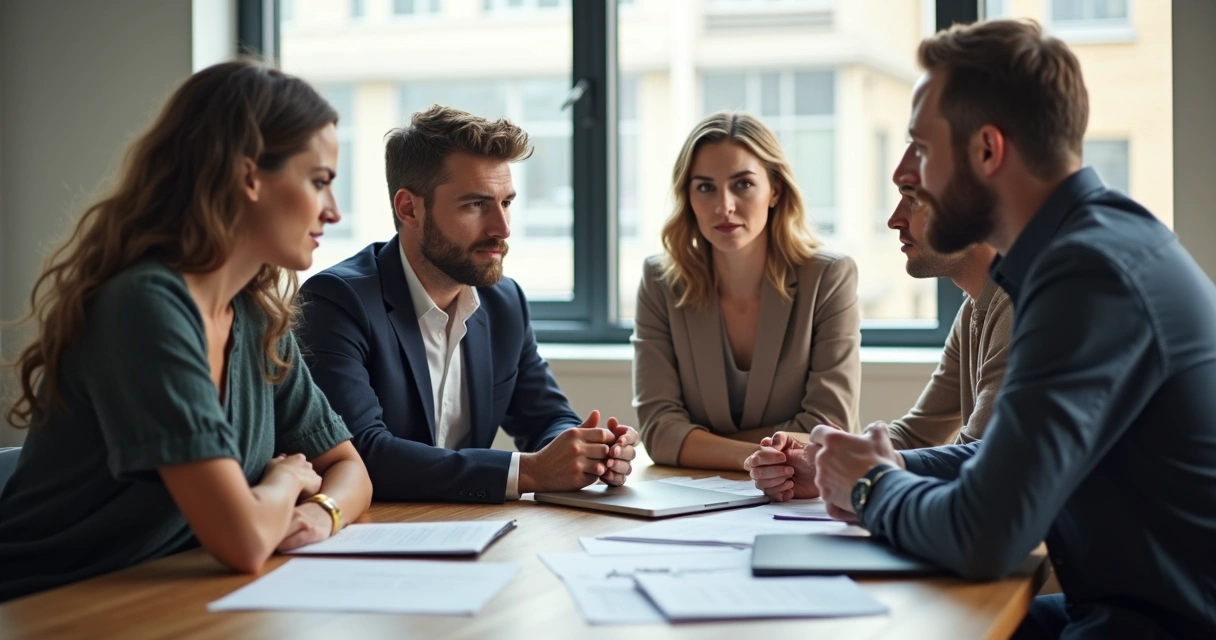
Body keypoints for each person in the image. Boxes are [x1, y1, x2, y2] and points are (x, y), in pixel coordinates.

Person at [809, 20, 1216, 638]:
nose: (912, 174)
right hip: (1122, 610)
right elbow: (1005, 460)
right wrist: (892, 465)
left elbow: (985, 536)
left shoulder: (1089, 275)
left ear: (987, 151)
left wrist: (869, 486)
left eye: (922, 148)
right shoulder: (1085, 249)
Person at [0, 60, 372, 602]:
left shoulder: (256, 318)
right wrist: (288, 480)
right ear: (249, 177)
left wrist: (321, 513)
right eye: (319, 182)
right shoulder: (145, 307)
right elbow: (244, 541)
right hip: (52, 605)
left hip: (170, 595)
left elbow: (349, 467)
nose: (333, 211)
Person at [295, 106, 637, 503]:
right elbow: (362, 453)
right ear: (409, 209)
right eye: (476, 205)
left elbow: (546, 417)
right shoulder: (336, 302)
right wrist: (528, 471)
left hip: (468, 529)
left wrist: (590, 451)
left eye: (506, 202)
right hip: (370, 534)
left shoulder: (504, 301)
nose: (502, 228)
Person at [745, 143, 1013, 500]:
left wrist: (862, 475)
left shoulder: (1016, 306)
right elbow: (914, 435)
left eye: (913, 199)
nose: (894, 219)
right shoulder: (974, 309)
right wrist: (822, 462)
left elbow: (978, 468)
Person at [631, 111, 861, 471]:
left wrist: (695, 443)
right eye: (705, 187)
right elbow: (659, 431)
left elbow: (829, 428)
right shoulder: (660, 282)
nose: (724, 206)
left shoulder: (829, 278)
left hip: (801, 495)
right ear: (687, 197)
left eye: (743, 184)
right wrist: (753, 459)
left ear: (775, 190)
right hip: (691, 501)